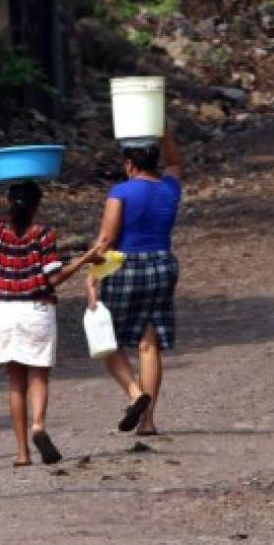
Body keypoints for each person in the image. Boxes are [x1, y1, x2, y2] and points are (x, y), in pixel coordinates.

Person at [0, 152, 99, 467]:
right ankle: (38, 425)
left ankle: (22, 453)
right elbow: (56, 277)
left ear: (9, 202)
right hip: (37, 311)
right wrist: (85, 259)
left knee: (15, 383)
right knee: (39, 377)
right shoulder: (43, 234)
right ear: (37, 205)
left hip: (6, 312)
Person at [87, 127, 183, 436]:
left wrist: (91, 276)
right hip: (163, 266)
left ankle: (133, 393)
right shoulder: (170, 189)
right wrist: (164, 131)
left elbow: (105, 239)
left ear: (129, 164)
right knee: (148, 345)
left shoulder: (121, 193)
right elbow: (175, 164)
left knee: (108, 339)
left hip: (127, 268)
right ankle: (148, 421)